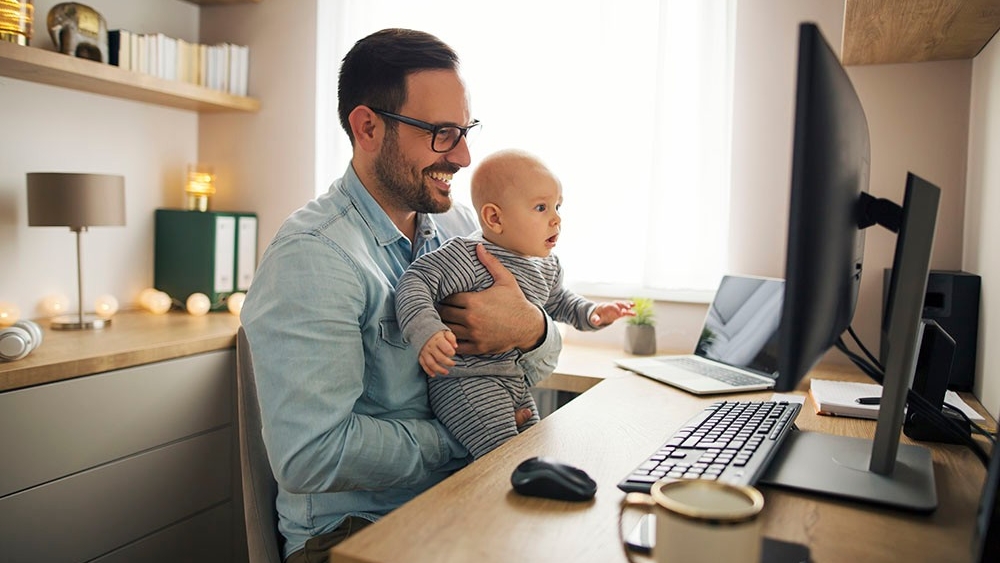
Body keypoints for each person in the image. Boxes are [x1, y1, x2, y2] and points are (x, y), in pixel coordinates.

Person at [239, 29, 563, 562]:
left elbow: (539, 355)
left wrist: (532, 328)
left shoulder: (465, 228)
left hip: (462, 499)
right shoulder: (313, 258)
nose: (463, 156)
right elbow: (312, 455)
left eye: (464, 131)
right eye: (441, 133)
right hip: (353, 534)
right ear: (367, 127)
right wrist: (464, 433)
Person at [396, 149, 635, 459]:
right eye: (541, 207)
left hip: (514, 380)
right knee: (506, 459)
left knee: (534, 446)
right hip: (467, 383)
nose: (556, 218)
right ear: (495, 218)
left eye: (558, 206)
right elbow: (415, 281)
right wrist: (426, 330)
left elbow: (560, 301)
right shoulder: (467, 255)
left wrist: (593, 313)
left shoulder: (547, 265)